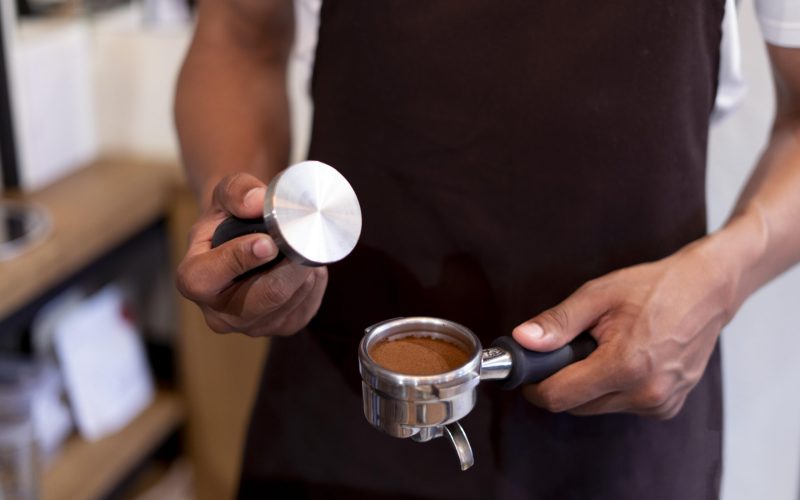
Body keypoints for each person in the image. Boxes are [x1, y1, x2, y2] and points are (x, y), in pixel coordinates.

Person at [174, 0, 800, 498]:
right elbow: (237, 38)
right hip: (348, 403)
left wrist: (723, 278)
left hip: (624, 420)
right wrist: (253, 228)